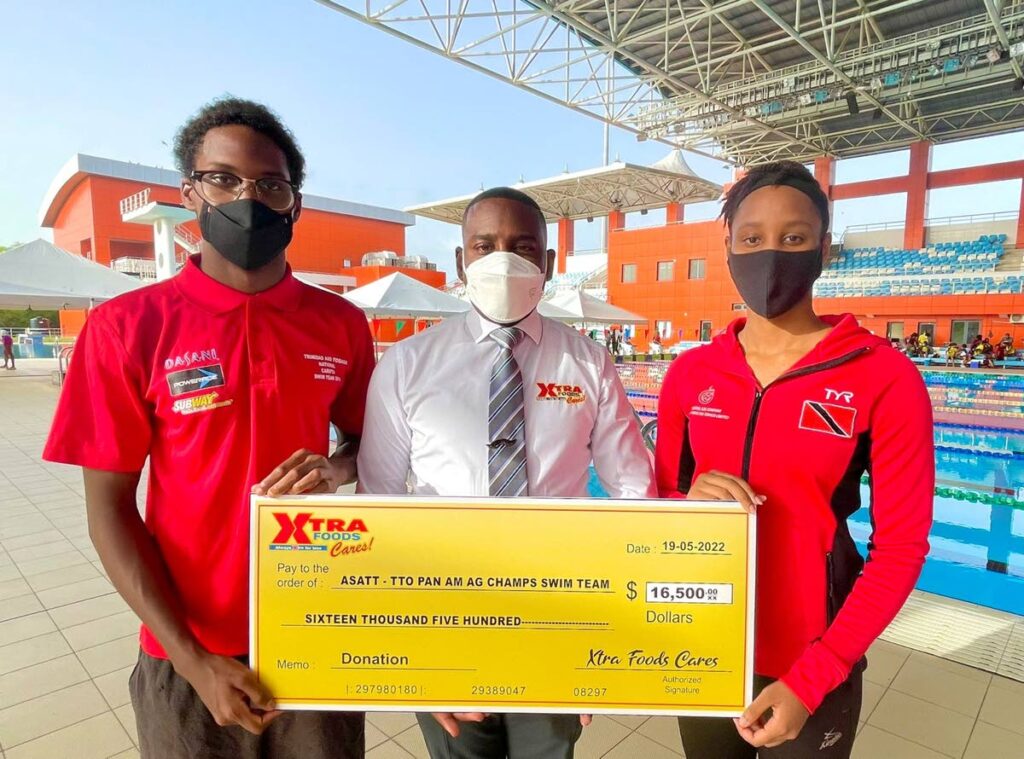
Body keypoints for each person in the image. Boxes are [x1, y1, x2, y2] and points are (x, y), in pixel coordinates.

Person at [42, 98, 374, 759]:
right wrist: (195, 659)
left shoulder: (339, 325)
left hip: (313, 632)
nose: (248, 196)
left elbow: (378, 447)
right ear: (190, 191)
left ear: (294, 204)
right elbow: (109, 510)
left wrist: (337, 467)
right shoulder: (127, 328)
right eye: (224, 178)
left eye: (270, 184)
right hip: (185, 651)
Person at [357, 186, 655, 759]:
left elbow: (633, 496)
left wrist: (612, 638)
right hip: (444, 612)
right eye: (485, 245)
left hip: (560, 614)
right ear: (461, 261)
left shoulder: (587, 361)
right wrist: (412, 651)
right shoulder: (408, 365)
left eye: (522, 247)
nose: (503, 259)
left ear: (547, 263)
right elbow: (379, 509)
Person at [654, 161, 933, 759]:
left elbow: (902, 546)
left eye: (794, 238)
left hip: (814, 658)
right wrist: (688, 499)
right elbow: (659, 505)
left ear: (823, 249)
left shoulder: (883, 376)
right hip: (705, 645)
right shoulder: (689, 375)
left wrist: (816, 675)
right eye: (752, 238)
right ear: (727, 245)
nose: (771, 254)